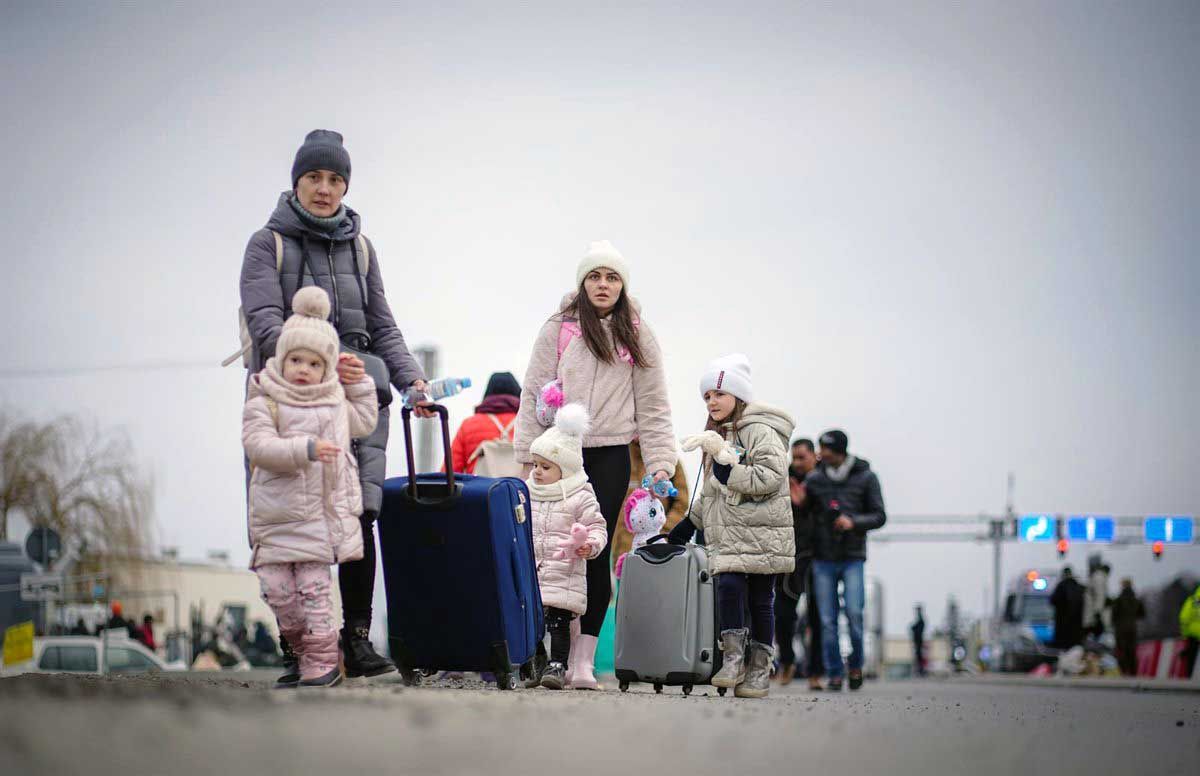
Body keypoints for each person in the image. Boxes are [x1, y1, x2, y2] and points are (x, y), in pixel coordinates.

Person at [240, 129, 431, 682]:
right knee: (287, 516)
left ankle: (354, 638)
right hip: (288, 396)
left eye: (335, 179)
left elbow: (383, 326)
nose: (325, 189)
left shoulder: (361, 247)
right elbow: (265, 322)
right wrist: (320, 360)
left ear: (346, 185)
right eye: (314, 178)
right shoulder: (267, 244)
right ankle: (298, 645)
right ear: (296, 182)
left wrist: (412, 380)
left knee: (359, 511)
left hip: (357, 391)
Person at [515, 240, 676, 690]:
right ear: (582, 282)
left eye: (612, 277)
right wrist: (526, 453)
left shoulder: (638, 331)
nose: (603, 285)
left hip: (609, 452)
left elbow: (654, 402)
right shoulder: (559, 327)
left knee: (594, 549)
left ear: (622, 285)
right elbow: (533, 389)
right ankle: (548, 656)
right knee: (549, 551)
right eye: (594, 276)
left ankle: (582, 662)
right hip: (558, 450)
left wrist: (661, 461)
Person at [243, 286, 379, 688]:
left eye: (315, 363)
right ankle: (304, 652)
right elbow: (258, 445)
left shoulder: (335, 401)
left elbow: (365, 420)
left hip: (317, 522)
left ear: (327, 368)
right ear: (281, 361)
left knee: (316, 593)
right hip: (275, 519)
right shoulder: (263, 400)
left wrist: (357, 384)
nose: (303, 368)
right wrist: (305, 449)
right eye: (295, 359)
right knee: (278, 593)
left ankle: (321, 663)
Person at [667, 354, 796, 699]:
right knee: (728, 588)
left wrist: (730, 472)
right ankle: (733, 659)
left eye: (719, 394)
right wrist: (685, 526)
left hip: (763, 529)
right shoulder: (717, 436)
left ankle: (758, 669)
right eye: (707, 396)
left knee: (760, 599)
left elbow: (770, 476)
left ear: (739, 396)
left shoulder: (760, 431)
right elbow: (713, 489)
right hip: (730, 534)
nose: (712, 402)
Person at [522, 405, 608, 690]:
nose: (537, 472)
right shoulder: (527, 492)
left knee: (559, 621)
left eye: (545, 467)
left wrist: (591, 545)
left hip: (564, 573)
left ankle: (558, 666)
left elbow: (597, 526)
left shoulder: (580, 494)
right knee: (531, 622)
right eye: (535, 465)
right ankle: (537, 660)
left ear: (566, 469)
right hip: (533, 571)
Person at [805, 429, 887, 691]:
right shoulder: (815, 480)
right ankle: (835, 673)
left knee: (854, 613)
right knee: (827, 619)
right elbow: (805, 513)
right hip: (823, 557)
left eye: (825, 449)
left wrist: (853, 522)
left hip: (853, 556)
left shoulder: (866, 477)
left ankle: (855, 666)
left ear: (838, 451)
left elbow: (879, 516)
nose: (821, 453)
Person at [775, 438, 821, 687]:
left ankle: (815, 671)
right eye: (795, 457)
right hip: (788, 553)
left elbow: (829, 514)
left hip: (817, 556)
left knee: (817, 617)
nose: (798, 462)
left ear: (815, 456)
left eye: (803, 457)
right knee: (782, 615)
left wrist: (806, 504)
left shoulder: (823, 481)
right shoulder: (785, 478)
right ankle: (787, 662)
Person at [609, 438, 690, 572]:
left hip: (657, 551)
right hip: (621, 550)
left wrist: (660, 529)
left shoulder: (668, 461)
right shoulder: (618, 457)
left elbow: (682, 503)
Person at [448, 372, 522, 475]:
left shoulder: (468, 425)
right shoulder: (526, 424)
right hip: (518, 489)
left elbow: (450, 470)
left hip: (479, 489)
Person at [1109, 578, 1144, 676]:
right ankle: (1133, 671)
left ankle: (1124, 671)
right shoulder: (1136, 600)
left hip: (1120, 629)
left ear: (1122, 586)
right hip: (1133, 628)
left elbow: (1113, 615)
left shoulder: (1118, 600)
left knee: (1121, 650)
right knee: (1132, 650)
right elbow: (1142, 614)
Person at [1050, 566, 1086, 651]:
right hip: (1077, 628)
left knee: (1063, 652)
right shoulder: (1080, 588)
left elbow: (1053, 601)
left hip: (1062, 627)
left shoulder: (1061, 586)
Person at [1083, 558, 1111, 639]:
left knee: (1092, 637)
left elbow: (1100, 595)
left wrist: (1097, 612)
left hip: (1093, 614)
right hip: (1094, 614)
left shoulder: (1097, 577)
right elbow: (1100, 596)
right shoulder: (1099, 577)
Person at [1180, 583, 1200, 678]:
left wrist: (1184, 633)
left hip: (1192, 633)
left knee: (1191, 656)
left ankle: (1189, 676)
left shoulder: (1192, 600)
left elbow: (1184, 617)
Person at [911, 605, 926, 677]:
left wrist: (914, 628)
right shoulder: (919, 620)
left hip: (918, 641)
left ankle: (920, 670)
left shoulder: (921, 620)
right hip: (917, 641)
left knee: (919, 656)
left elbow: (918, 629)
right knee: (918, 656)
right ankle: (919, 670)